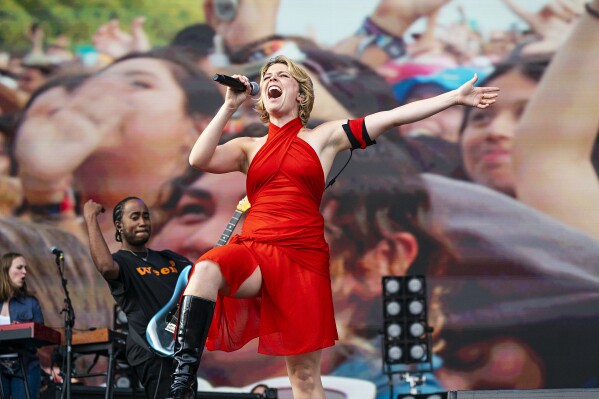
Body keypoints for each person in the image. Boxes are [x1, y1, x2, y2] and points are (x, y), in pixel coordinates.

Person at [165, 54, 498, 399]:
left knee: (305, 377)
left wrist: (454, 98)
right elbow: (199, 159)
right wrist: (230, 106)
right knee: (205, 268)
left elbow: (392, 117)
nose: (271, 80)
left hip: (301, 256)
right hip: (255, 249)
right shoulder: (248, 147)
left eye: (282, 75)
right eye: (266, 77)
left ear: (301, 94)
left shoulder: (323, 137)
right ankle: (182, 382)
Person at [83, 196, 192, 399]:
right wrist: (90, 218)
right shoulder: (120, 262)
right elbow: (106, 267)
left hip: (180, 349)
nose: (142, 222)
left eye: (145, 216)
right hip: (152, 349)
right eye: (135, 217)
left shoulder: (170, 258)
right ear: (119, 226)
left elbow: (200, 281)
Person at [0, 252, 44, 399]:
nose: (24, 272)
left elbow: (41, 336)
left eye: (25, 268)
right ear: (6, 271)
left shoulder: (31, 302)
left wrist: (21, 328)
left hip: (25, 364)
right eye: (19, 267)